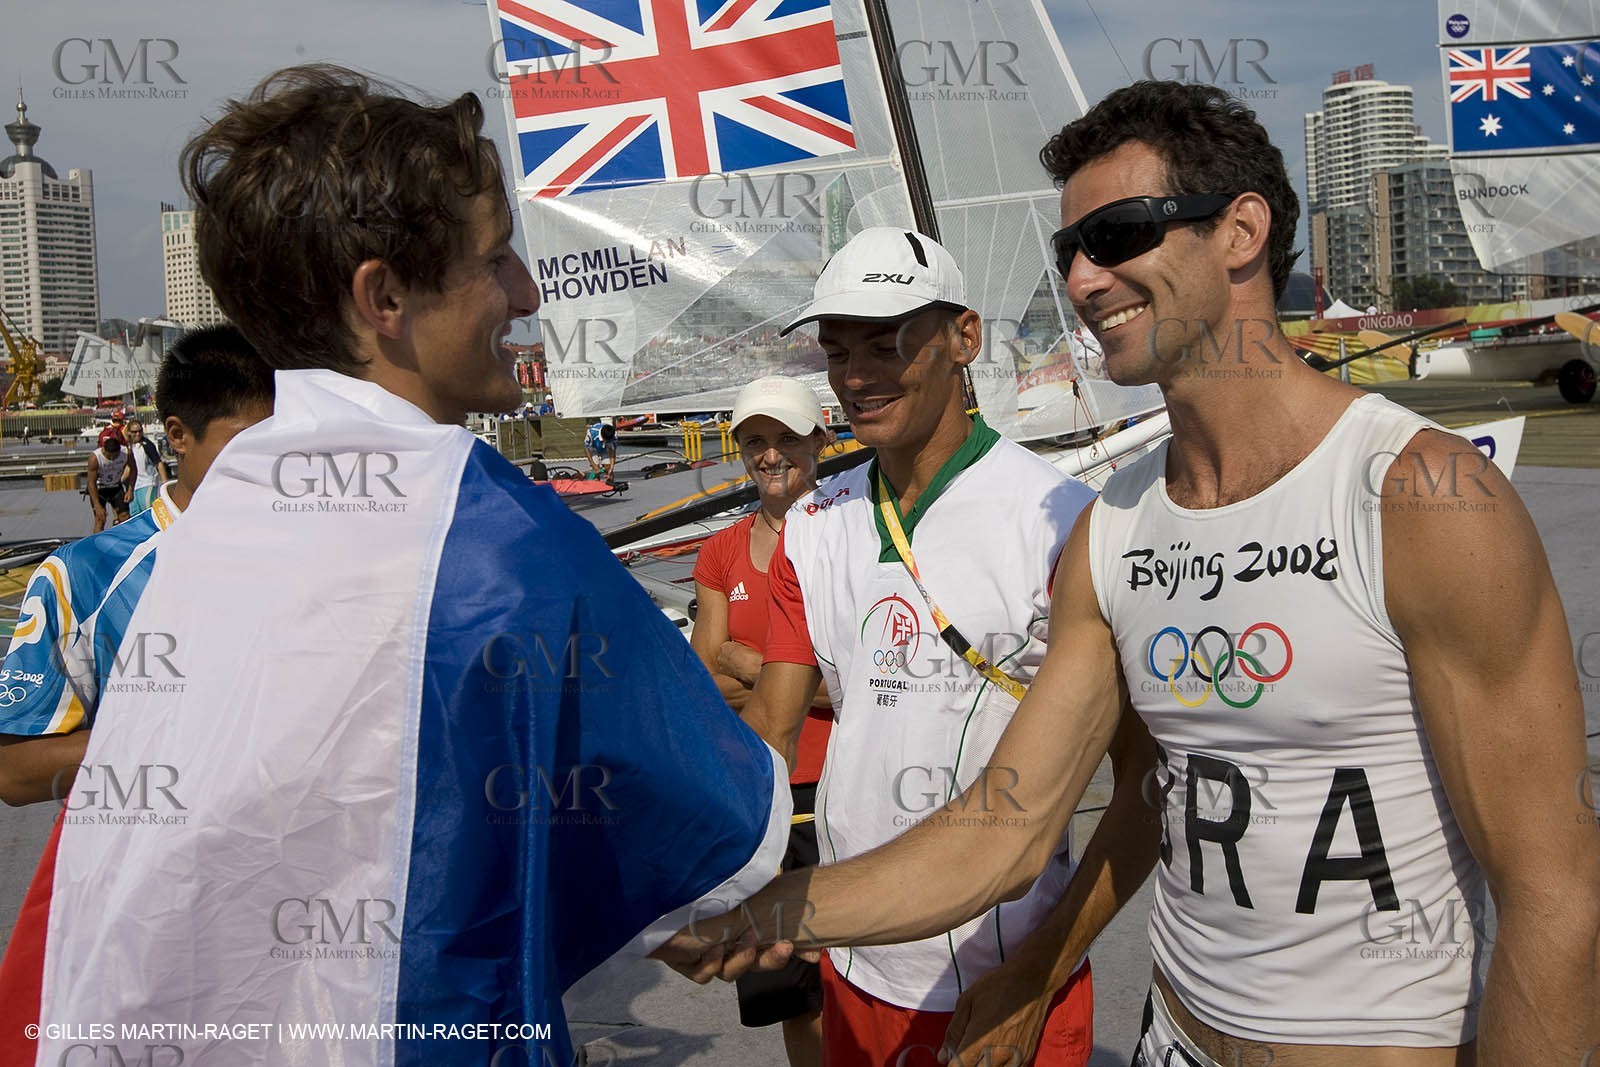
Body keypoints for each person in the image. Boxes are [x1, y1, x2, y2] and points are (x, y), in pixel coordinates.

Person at [663, 83, 1600, 1067]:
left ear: (1241, 230)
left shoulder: (1417, 494)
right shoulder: (1116, 521)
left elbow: (1556, 890)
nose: (1082, 279)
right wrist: (762, 913)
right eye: (1067, 250)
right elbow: (1005, 825)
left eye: (1115, 234)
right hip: (1173, 1036)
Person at [30, 65, 788, 1067]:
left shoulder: (227, 504)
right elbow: (718, 830)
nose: (524, 292)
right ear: (383, 296)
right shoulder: (486, 528)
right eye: (496, 259)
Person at [715, 227, 1116, 1066]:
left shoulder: (1066, 520)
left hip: (1004, 977)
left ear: (963, 338)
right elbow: (769, 738)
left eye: (889, 341)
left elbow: (1143, 791)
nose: (857, 375)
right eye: (836, 350)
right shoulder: (814, 528)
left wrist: (1038, 974)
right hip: (858, 963)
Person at [0, 325, 277, 1066]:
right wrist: (178, 734)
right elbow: (16, 771)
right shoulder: (85, 576)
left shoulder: (321, 563)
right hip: (140, 927)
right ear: (177, 436)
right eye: (246, 452)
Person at [690, 376, 836, 1067]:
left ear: (820, 441)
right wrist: (783, 674)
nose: (770, 453)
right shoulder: (720, 552)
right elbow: (700, 681)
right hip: (765, 793)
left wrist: (750, 666)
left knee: (864, 973)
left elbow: (877, 687)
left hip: (842, 786)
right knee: (789, 986)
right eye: (755, 440)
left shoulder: (847, 538)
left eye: (786, 438)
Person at [86, 431, 133, 531]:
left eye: (115, 456)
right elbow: (91, 482)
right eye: (109, 456)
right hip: (99, 488)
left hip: (115, 486)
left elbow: (133, 469)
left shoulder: (126, 453)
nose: (112, 459)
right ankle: (97, 543)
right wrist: (97, 505)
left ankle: (125, 540)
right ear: (104, 450)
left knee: (125, 516)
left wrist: (130, 490)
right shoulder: (95, 458)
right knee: (100, 518)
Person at [123, 416, 169, 515]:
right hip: (133, 486)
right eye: (134, 432)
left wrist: (164, 481)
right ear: (129, 432)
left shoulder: (147, 445)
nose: (138, 434)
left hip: (147, 483)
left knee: (148, 512)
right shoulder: (128, 447)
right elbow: (129, 467)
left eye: (140, 431)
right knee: (134, 515)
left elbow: (158, 463)